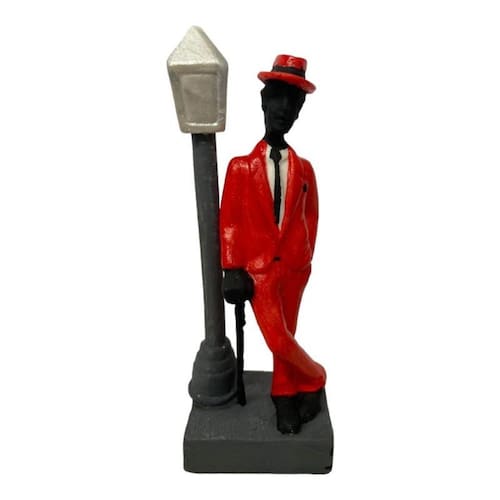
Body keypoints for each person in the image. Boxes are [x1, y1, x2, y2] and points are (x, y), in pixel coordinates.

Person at [220, 55, 326, 434]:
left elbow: (311, 215)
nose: (283, 110)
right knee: (279, 339)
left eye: (292, 103)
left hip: (295, 268)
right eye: (277, 100)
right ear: (264, 102)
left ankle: (285, 395)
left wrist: (306, 254)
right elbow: (230, 222)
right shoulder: (240, 167)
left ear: (298, 111)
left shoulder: (305, 169)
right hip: (258, 271)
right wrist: (231, 269)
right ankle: (315, 377)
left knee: (287, 334)